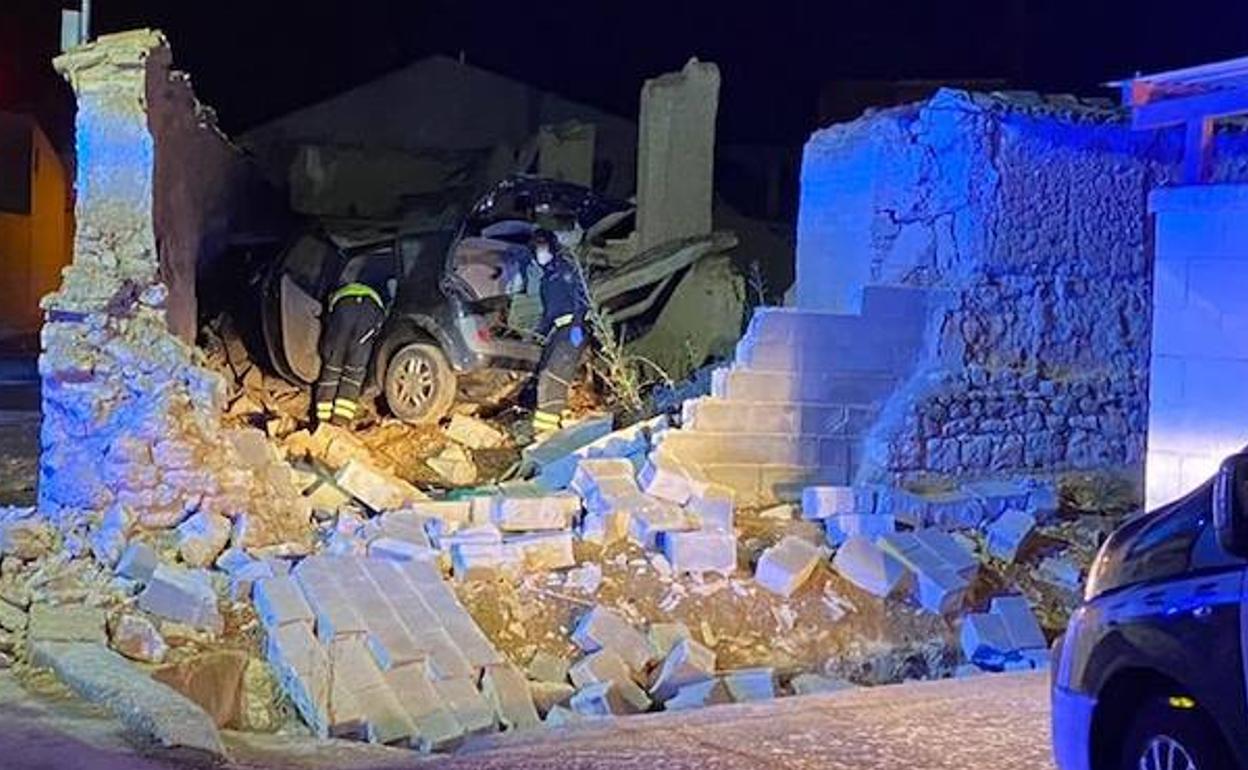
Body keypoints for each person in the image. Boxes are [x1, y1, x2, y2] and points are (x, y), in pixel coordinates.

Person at [530, 228, 590, 437]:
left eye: (543, 247)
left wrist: (577, 325)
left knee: (554, 375)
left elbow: (581, 299)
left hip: (572, 330)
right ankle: (549, 424)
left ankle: (546, 431)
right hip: (558, 331)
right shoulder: (546, 280)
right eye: (537, 248)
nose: (540, 252)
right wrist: (536, 333)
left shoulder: (566, 270)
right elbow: (549, 313)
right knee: (544, 373)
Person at [314, 275, 389, 427]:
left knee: (331, 369)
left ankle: (322, 422)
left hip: (344, 307)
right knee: (354, 373)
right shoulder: (380, 291)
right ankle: (341, 422)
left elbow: (328, 321)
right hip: (370, 311)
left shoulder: (339, 291)